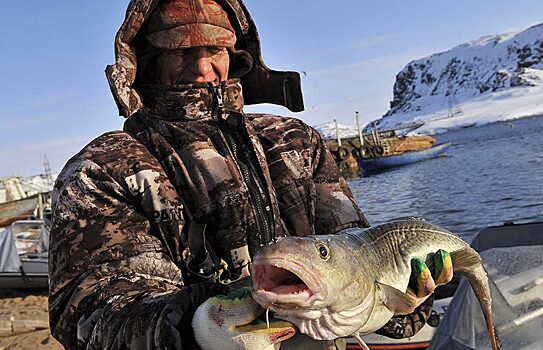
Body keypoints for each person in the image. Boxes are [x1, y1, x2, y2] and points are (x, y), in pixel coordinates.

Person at [48, 0, 435, 348]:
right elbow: (90, 316)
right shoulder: (105, 169)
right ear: (149, 60)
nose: (202, 68)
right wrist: (197, 329)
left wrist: (402, 301)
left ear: (236, 55)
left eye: (214, 50)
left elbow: (353, 256)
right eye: (181, 51)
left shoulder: (294, 141)